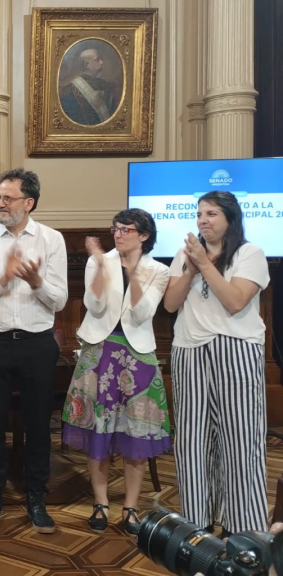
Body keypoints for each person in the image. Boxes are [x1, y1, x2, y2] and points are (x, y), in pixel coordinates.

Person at [164, 190, 270, 535]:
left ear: (230, 218)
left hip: (235, 350)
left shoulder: (249, 253)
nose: (202, 220)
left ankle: (246, 532)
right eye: (199, 214)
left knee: (240, 441)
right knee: (191, 441)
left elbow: (236, 301)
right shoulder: (186, 254)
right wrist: (190, 268)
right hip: (188, 349)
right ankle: (196, 525)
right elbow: (169, 305)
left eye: (211, 214)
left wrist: (206, 265)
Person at [0, 168, 68, 534]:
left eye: (8, 198)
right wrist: (5, 279)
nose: (1, 204)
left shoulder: (51, 240)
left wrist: (36, 281)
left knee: (39, 425)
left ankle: (36, 497)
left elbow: (59, 300)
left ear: (29, 202)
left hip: (37, 344)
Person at [62, 209, 171, 535]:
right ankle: (100, 503)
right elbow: (93, 307)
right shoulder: (100, 261)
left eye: (126, 229)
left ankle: (131, 508)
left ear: (144, 235)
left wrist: (132, 270)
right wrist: (102, 264)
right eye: (116, 229)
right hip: (99, 352)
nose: (119, 234)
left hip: (138, 355)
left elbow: (142, 313)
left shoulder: (159, 270)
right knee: (98, 430)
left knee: (136, 432)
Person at [59, 47, 119, 125]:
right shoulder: (69, 90)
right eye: (97, 60)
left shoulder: (106, 86)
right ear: (86, 65)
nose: (101, 63)